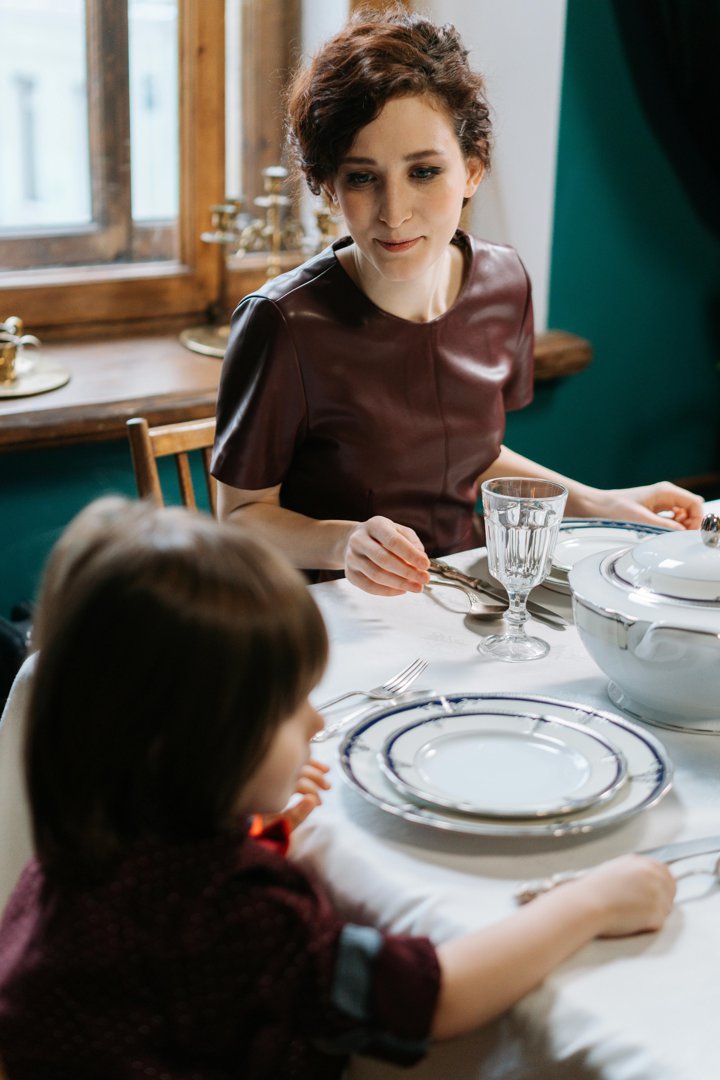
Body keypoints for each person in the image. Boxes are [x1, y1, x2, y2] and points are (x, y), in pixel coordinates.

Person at [0, 497, 675, 1078]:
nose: (318, 719)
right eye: (291, 706)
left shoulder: (90, 838)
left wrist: (253, 822)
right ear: (204, 744)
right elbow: (432, 1000)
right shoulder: (238, 915)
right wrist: (590, 903)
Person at [211, 4, 705, 598]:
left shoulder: (503, 283)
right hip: (330, 617)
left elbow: (473, 453)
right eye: (362, 177)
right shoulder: (283, 322)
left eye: (424, 171)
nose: (395, 213)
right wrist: (343, 542)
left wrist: (603, 504)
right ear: (325, 185)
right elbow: (238, 519)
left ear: (472, 169)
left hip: (465, 591)